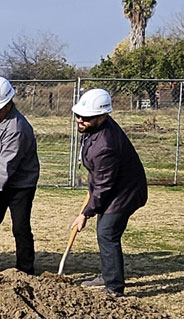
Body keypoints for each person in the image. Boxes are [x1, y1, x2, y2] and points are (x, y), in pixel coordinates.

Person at [71, 89, 147, 297]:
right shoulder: (95, 128)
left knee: (107, 233)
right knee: (105, 231)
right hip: (114, 187)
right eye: (78, 115)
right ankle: (108, 274)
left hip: (125, 192)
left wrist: (85, 214)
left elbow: (104, 186)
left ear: (102, 116)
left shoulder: (106, 145)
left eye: (86, 117)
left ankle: (114, 287)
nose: (80, 120)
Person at [0, 76, 40, 274]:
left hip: (20, 183)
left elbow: (6, 169)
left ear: (9, 103)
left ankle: (25, 269)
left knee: (19, 226)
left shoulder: (17, 129)